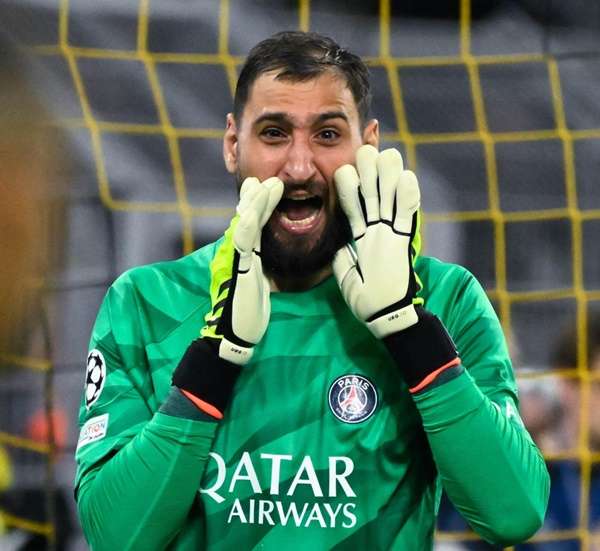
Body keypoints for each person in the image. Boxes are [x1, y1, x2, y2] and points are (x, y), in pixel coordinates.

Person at [75, 31, 549, 550]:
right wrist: (213, 360)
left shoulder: (444, 299)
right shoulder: (146, 302)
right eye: (274, 133)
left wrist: (408, 329)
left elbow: (513, 513)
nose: (299, 168)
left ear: (367, 146)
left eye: (327, 134)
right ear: (233, 146)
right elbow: (114, 537)